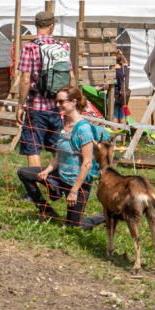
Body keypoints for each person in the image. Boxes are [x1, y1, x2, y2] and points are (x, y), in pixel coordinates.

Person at [17, 86, 105, 229]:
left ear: (74, 102)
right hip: (61, 175)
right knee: (24, 173)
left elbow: (87, 163)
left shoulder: (83, 129)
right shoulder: (64, 124)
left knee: (74, 228)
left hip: (78, 182)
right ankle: (47, 211)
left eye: (61, 102)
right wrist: (46, 171)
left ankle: (103, 216)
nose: (57, 105)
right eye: (57, 101)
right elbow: (59, 155)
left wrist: (74, 190)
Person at [17, 11, 75, 169]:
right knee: (57, 146)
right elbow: (71, 77)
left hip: (36, 106)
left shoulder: (30, 48)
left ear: (36, 25)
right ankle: (65, 179)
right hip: (58, 107)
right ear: (52, 26)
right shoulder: (62, 47)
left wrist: (20, 105)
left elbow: (24, 80)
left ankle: (35, 188)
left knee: (33, 148)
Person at [112, 49, 130, 125]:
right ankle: (123, 137)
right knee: (122, 119)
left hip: (114, 96)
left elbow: (107, 85)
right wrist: (121, 55)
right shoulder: (124, 69)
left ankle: (115, 137)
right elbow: (126, 62)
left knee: (114, 118)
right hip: (122, 97)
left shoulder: (112, 71)